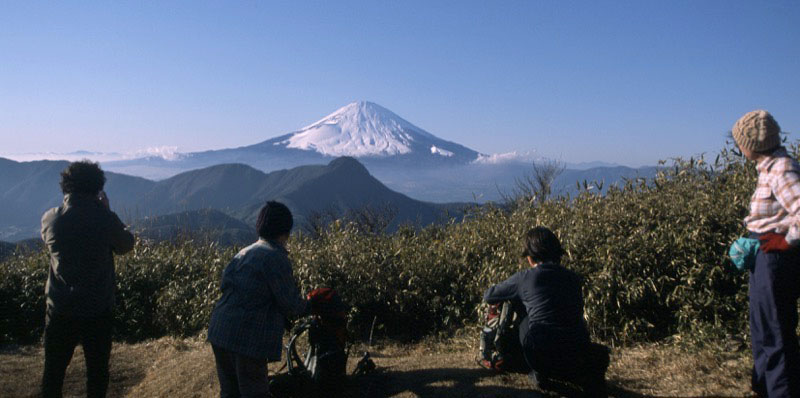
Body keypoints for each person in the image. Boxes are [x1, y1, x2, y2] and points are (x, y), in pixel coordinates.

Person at [40, 160, 135, 398]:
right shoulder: (104, 219)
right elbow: (126, 244)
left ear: (66, 186)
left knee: (53, 372)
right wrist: (105, 210)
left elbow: (49, 241)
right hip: (97, 308)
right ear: (97, 187)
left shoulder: (51, 219)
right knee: (97, 372)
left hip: (60, 307)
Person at [484, 226, 608, 397]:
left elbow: (489, 295)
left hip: (541, 352)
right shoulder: (573, 278)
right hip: (576, 350)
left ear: (529, 257)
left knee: (527, 321)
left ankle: (534, 370)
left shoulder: (525, 277)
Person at [207, 201, 311, 398]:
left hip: (220, 329)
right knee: (255, 393)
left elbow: (225, 287)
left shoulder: (244, 252)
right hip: (246, 337)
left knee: (230, 392)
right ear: (285, 231)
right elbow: (291, 304)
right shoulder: (276, 258)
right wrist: (313, 305)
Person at [732, 110, 800, 397]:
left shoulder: (782, 169)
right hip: (766, 256)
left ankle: (782, 391)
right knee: (763, 330)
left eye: (739, 142)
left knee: (774, 333)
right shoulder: (769, 168)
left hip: (776, 260)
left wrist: (786, 241)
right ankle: (765, 388)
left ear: (750, 144)